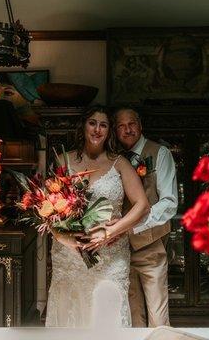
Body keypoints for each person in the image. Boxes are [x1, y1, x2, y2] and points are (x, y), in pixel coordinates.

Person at [45, 105, 149, 328]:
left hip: (110, 255)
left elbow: (142, 205)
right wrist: (64, 238)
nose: (97, 129)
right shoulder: (64, 161)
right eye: (92, 123)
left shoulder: (119, 163)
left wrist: (111, 230)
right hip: (69, 254)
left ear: (109, 131)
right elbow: (49, 208)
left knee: (107, 313)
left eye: (103, 125)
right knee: (70, 311)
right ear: (83, 126)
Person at [114, 108, 178, 328]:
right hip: (120, 249)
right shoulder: (114, 157)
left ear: (140, 125)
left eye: (131, 123)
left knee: (158, 316)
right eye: (121, 126)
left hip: (151, 245)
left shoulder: (160, 153)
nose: (127, 129)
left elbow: (169, 203)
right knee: (133, 315)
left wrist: (136, 226)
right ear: (116, 130)